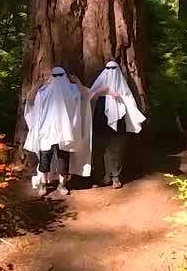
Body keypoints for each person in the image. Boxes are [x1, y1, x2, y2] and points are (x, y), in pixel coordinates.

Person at [22, 67, 118, 197]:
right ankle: (43, 185)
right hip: (46, 133)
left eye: (60, 75)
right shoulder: (43, 92)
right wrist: (38, 84)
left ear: (65, 76)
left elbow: (87, 95)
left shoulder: (73, 90)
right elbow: (30, 99)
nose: (58, 79)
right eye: (55, 76)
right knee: (45, 159)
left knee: (63, 159)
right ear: (51, 77)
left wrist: (77, 82)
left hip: (65, 133)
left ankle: (62, 184)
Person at [89, 60, 146, 189]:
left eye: (114, 69)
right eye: (108, 69)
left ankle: (116, 177)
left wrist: (119, 98)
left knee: (116, 149)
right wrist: (102, 92)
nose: (111, 73)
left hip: (119, 122)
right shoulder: (99, 87)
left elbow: (130, 102)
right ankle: (101, 178)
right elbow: (89, 97)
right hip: (100, 120)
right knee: (100, 149)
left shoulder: (123, 89)